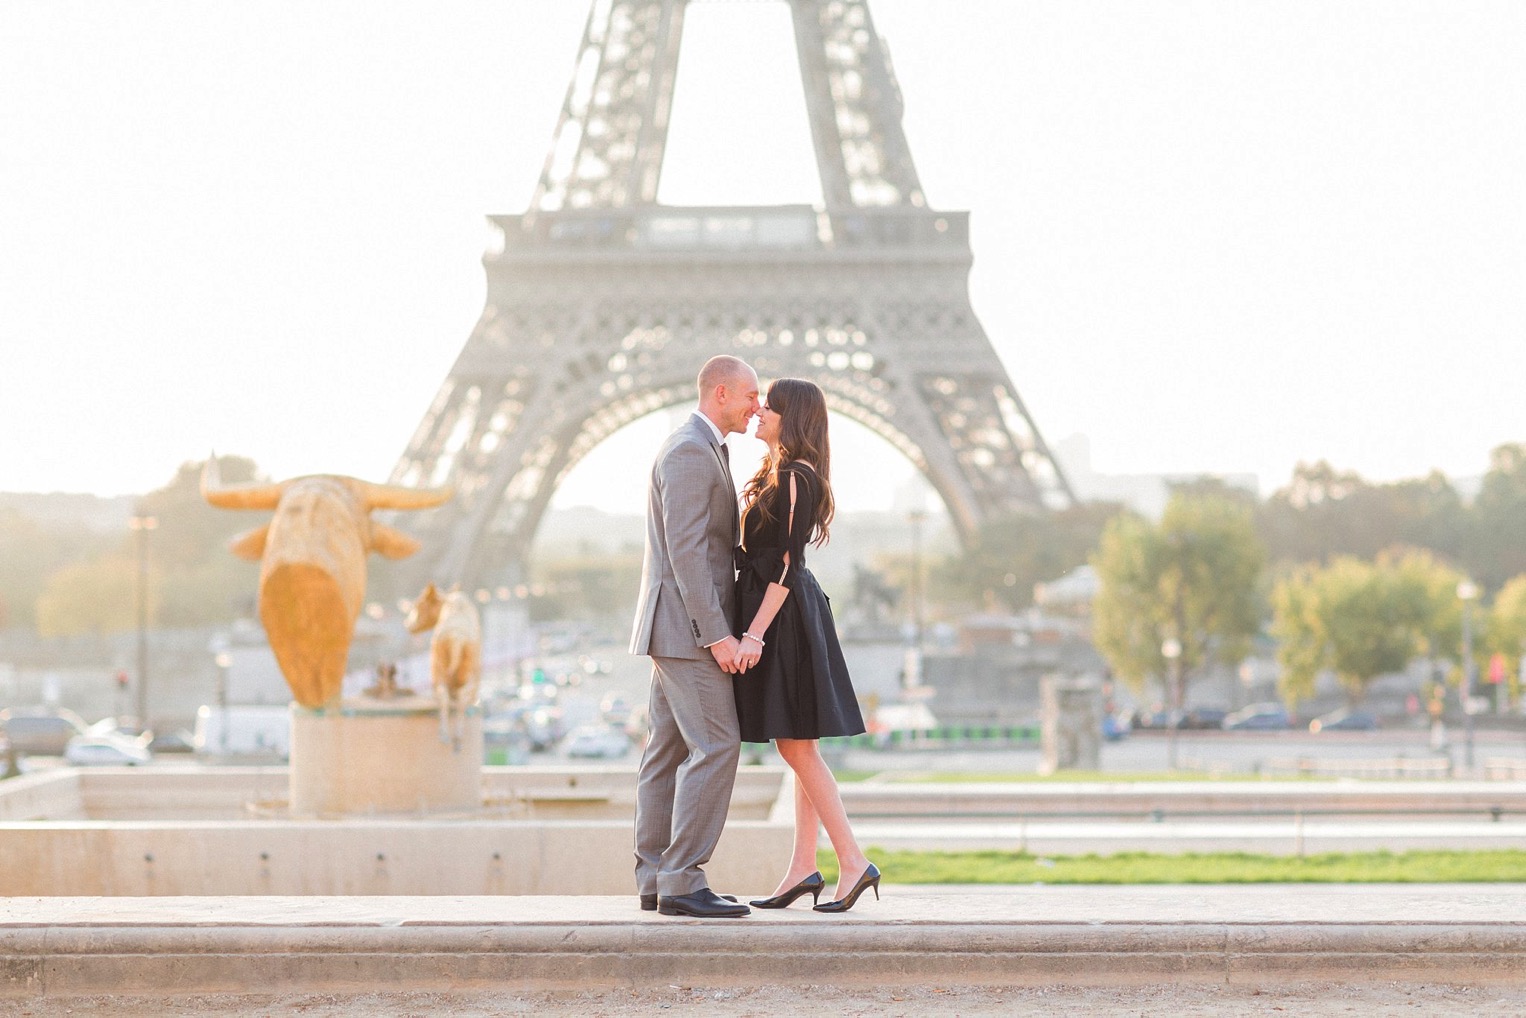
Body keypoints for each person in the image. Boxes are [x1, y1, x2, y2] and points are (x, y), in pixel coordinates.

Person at [731, 378, 879, 913]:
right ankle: (802, 868)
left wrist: (753, 634)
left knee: (796, 747)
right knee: (799, 745)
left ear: (792, 417)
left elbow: (789, 565)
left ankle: (854, 861)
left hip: (784, 616)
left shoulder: (795, 477)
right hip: (785, 613)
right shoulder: (777, 472)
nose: (759, 410)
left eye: (770, 405)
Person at [630, 355, 760, 919]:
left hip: (672, 629)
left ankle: (656, 877)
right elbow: (686, 554)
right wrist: (719, 637)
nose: (759, 406)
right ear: (722, 393)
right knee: (718, 744)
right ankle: (681, 878)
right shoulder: (688, 451)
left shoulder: (700, 447)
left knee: (666, 753)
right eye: (752, 395)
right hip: (688, 633)